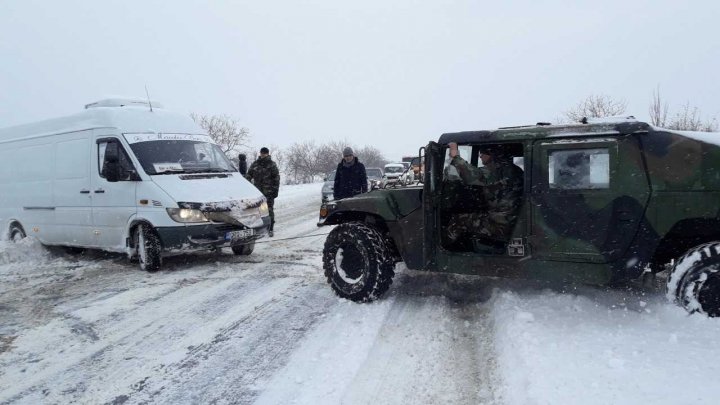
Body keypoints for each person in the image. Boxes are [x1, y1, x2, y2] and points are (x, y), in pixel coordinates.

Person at [445, 142, 524, 249]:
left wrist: (455, 156)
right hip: (513, 218)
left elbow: (472, 176)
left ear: (491, 154)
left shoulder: (498, 169)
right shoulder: (512, 169)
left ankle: (445, 254)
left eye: (482, 153)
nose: (480, 155)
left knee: (458, 221)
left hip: (501, 223)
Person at [246, 147, 280, 237]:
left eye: (265, 153)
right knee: (255, 210)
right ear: (260, 153)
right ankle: (257, 228)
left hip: (268, 192)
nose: (263, 155)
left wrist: (275, 190)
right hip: (257, 192)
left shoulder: (272, 164)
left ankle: (270, 229)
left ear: (268, 154)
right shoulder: (255, 164)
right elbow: (249, 175)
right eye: (262, 153)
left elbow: (276, 178)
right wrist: (246, 185)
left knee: (269, 210)